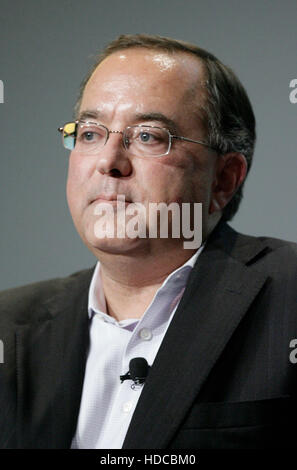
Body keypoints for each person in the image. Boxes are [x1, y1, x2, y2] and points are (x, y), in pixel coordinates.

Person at [0, 34, 296, 450]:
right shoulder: (8, 323)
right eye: (89, 133)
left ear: (224, 179)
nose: (108, 162)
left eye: (148, 136)